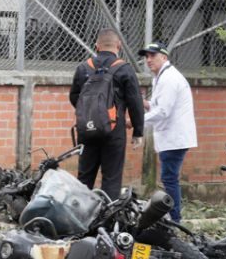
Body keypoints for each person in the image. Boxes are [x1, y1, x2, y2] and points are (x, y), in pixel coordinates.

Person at [69, 29, 144, 200]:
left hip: (87, 130)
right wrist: (137, 131)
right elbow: (135, 102)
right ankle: (107, 221)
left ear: (96, 46)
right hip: (114, 131)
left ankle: (80, 218)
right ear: (119, 46)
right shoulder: (124, 69)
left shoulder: (83, 68)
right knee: (111, 178)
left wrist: (90, 115)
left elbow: (74, 97)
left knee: (84, 177)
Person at [139, 42, 197, 224]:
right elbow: (159, 105)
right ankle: (172, 216)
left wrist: (137, 121)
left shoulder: (169, 78)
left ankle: (175, 219)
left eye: (152, 56)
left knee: (169, 179)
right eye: (146, 56)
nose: (148, 60)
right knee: (168, 178)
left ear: (164, 57)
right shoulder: (161, 77)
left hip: (175, 138)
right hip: (170, 137)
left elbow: (164, 111)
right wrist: (145, 103)